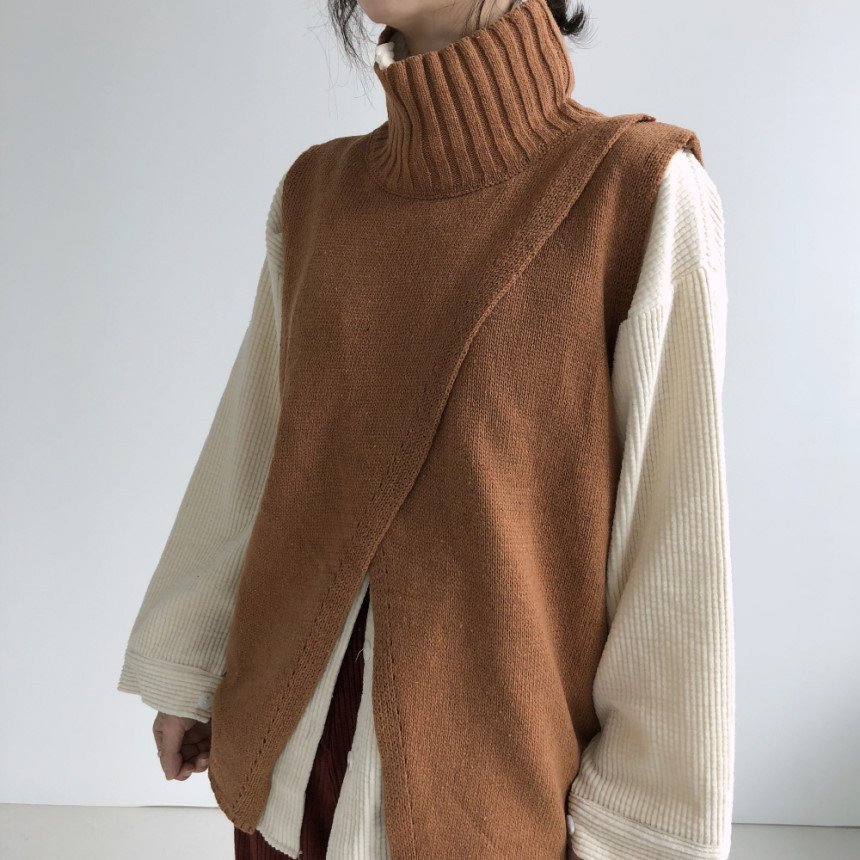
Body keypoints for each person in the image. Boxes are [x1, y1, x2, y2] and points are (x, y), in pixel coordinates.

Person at [117, 1, 735, 858]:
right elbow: (255, 446)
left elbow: (673, 549)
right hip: (282, 780)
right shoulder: (317, 194)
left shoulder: (639, 193)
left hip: (489, 803)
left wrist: (642, 823)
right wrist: (191, 661)